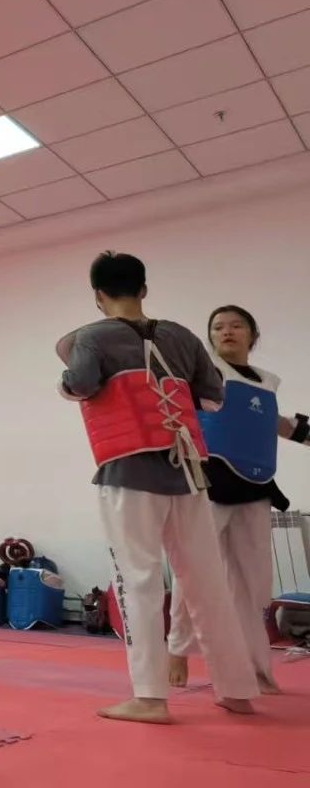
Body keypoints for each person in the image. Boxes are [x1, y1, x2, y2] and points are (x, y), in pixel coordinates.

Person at [57, 251, 259, 724]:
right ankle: (237, 690)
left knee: (139, 581)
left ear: (98, 296)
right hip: (188, 474)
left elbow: (78, 385)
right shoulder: (182, 336)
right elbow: (214, 398)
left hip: (129, 475)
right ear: (144, 289)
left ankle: (149, 698)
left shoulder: (92, 337)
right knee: (208, 583)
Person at [167, 305, 309, 693]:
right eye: (218, 327)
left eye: (236, 325)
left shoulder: (266, 382)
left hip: (255, 486)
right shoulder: (202, 375)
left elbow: (273, 423)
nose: (226, 331)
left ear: (252, 335)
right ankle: (177, 649)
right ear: (210, 337)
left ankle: (256, 668)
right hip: (209, 485)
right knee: (193, 569)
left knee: (254, 584)